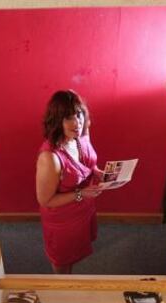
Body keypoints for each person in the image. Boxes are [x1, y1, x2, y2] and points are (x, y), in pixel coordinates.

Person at [35, 90, 104, 274]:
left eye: (79, 114)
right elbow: (46, 201)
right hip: (63, 220)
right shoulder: (50, 158)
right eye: (68, 118)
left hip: (84, 208)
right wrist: (82, 193)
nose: (77, 122)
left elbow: (89, 164)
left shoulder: (81, 134)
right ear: (57, 121)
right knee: (62, 264)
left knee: (74, 254)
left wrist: (99, 173)